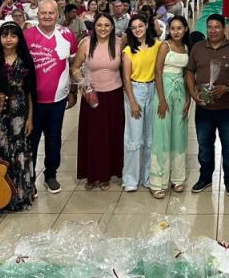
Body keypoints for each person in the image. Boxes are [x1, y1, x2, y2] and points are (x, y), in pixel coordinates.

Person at [0, 22, 37, 223]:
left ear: (19, 39)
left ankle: (17, 197)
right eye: (5, 35)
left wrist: (30, 118)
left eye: (13, 35)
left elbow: (30, 92)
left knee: (18, 154)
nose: (9, 39)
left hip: (20, 116)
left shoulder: (26, 61)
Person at [185, 14, 229, 196]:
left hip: (227, 108)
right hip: (203, 108)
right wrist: (194, 95)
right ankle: (205, 178)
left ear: (224, 28)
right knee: (204, 145)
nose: (213, 30)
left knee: (228, 145)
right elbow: (189, 72)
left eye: (217, 27)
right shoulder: (197, 48)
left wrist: (227, 87)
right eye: (209, 27)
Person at [24, 0, 79, 194]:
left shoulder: (67, 35)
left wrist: (73, 90)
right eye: (43, 13)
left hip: (58, 99)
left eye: (51, 13)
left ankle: (50, 174)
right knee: (31, 139)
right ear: (37, 14)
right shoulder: (27, 36)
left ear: (58, 14)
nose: (47, 16)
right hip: (32, 101)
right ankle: (28, 178)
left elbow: (73, 64)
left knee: (54, 138)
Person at [71, 12, 124, 190]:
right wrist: (83, 84)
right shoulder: (86, 43)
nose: (103, 29)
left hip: (114, 96)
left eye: (107, 25)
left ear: (112, 27)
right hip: (92, 96)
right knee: (93, 136)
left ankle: (107, 175)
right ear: (94, 27)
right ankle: (92, 174)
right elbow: (75, 68)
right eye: (99, 25)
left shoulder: (119, 43)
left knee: (111, 136)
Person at [149, 15, 191, 198]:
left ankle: (177, 177)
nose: (176, 31)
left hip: (180, 91)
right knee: (162, 133)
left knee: (179, 133)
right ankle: (158, 180)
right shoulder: (164, 46)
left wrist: (188, 97)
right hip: (164, 90)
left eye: (179, 28)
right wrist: (162, 99)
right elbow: (157, 71)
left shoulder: (186, 47)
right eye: (172, 28)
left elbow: (186, 74)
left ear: (185, 29)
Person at [121, 15, 161, 192]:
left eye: (140, 26)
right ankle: (130, 179)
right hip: (136, 91)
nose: (138, 29)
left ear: (146, 26)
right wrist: (132, 101)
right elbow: (126, 78)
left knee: (151, 138)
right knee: (134, 137)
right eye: (133, 27)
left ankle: (147, 177)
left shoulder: (158, 46)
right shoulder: (129, 51)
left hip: (153, 90)